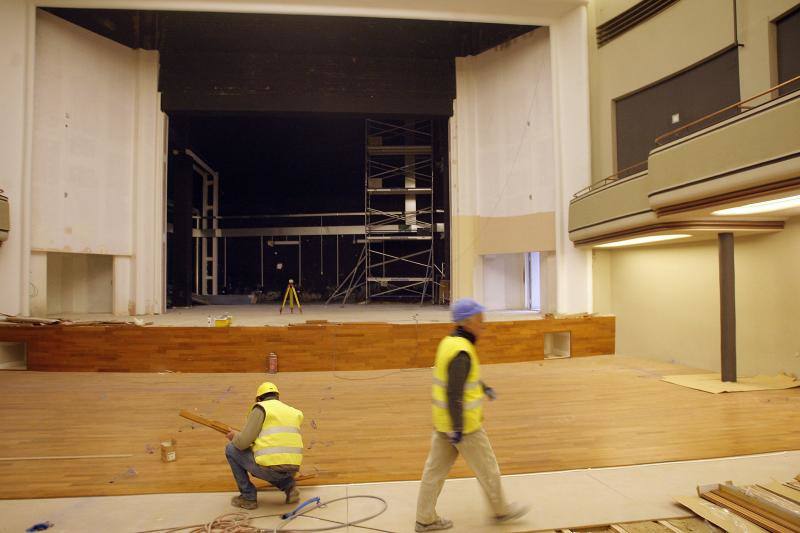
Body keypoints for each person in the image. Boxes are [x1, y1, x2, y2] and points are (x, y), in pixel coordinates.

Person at [414, 298, 530, 532]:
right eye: (480, 319)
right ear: (467, 322)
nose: (483, 324)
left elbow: (461, 379)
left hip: (443, 423)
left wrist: (483, 387)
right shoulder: (462, 352)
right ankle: (501, 512)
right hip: (465, 428)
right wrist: (458, 429)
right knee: (488, 470)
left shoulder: (450, 342)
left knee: (433, 473)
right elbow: (454, 392)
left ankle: (424, 519)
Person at [225, 381, 304, 510]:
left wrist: (234, 437)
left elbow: (242, 443)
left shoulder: (261, 408)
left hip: (271, 469)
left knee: (231, 449)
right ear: (277, 397)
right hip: (293, 468)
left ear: (259, 398)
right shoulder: (292, 411)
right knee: (272, 463)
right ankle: (290, 487)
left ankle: (248, 497)